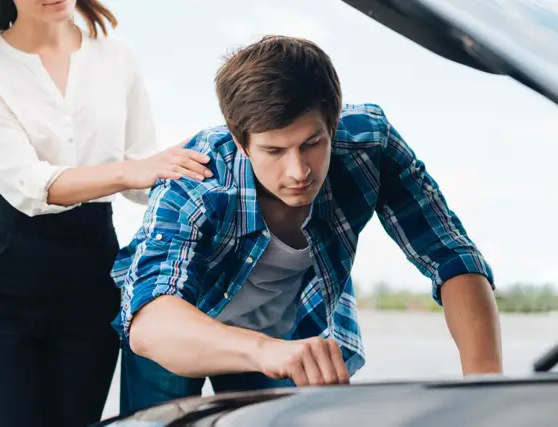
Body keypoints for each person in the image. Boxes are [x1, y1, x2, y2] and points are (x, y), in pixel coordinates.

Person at [111, 35, 503, 414]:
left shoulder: (370, 146)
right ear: (240, 140)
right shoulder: (196, 178)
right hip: (183, 332)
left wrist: (485, 392)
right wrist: (264, 351)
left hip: (290, 333)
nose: (298, 171)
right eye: (274, 151)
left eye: (312, 144)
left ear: (332, 124)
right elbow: (150, 320)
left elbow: (451, 256)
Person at [0, 1, 212, 426]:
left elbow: (142, 177)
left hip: (90, 290)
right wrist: (135, 170)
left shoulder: (118, 56)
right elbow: (33, 184)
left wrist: (217, 175)